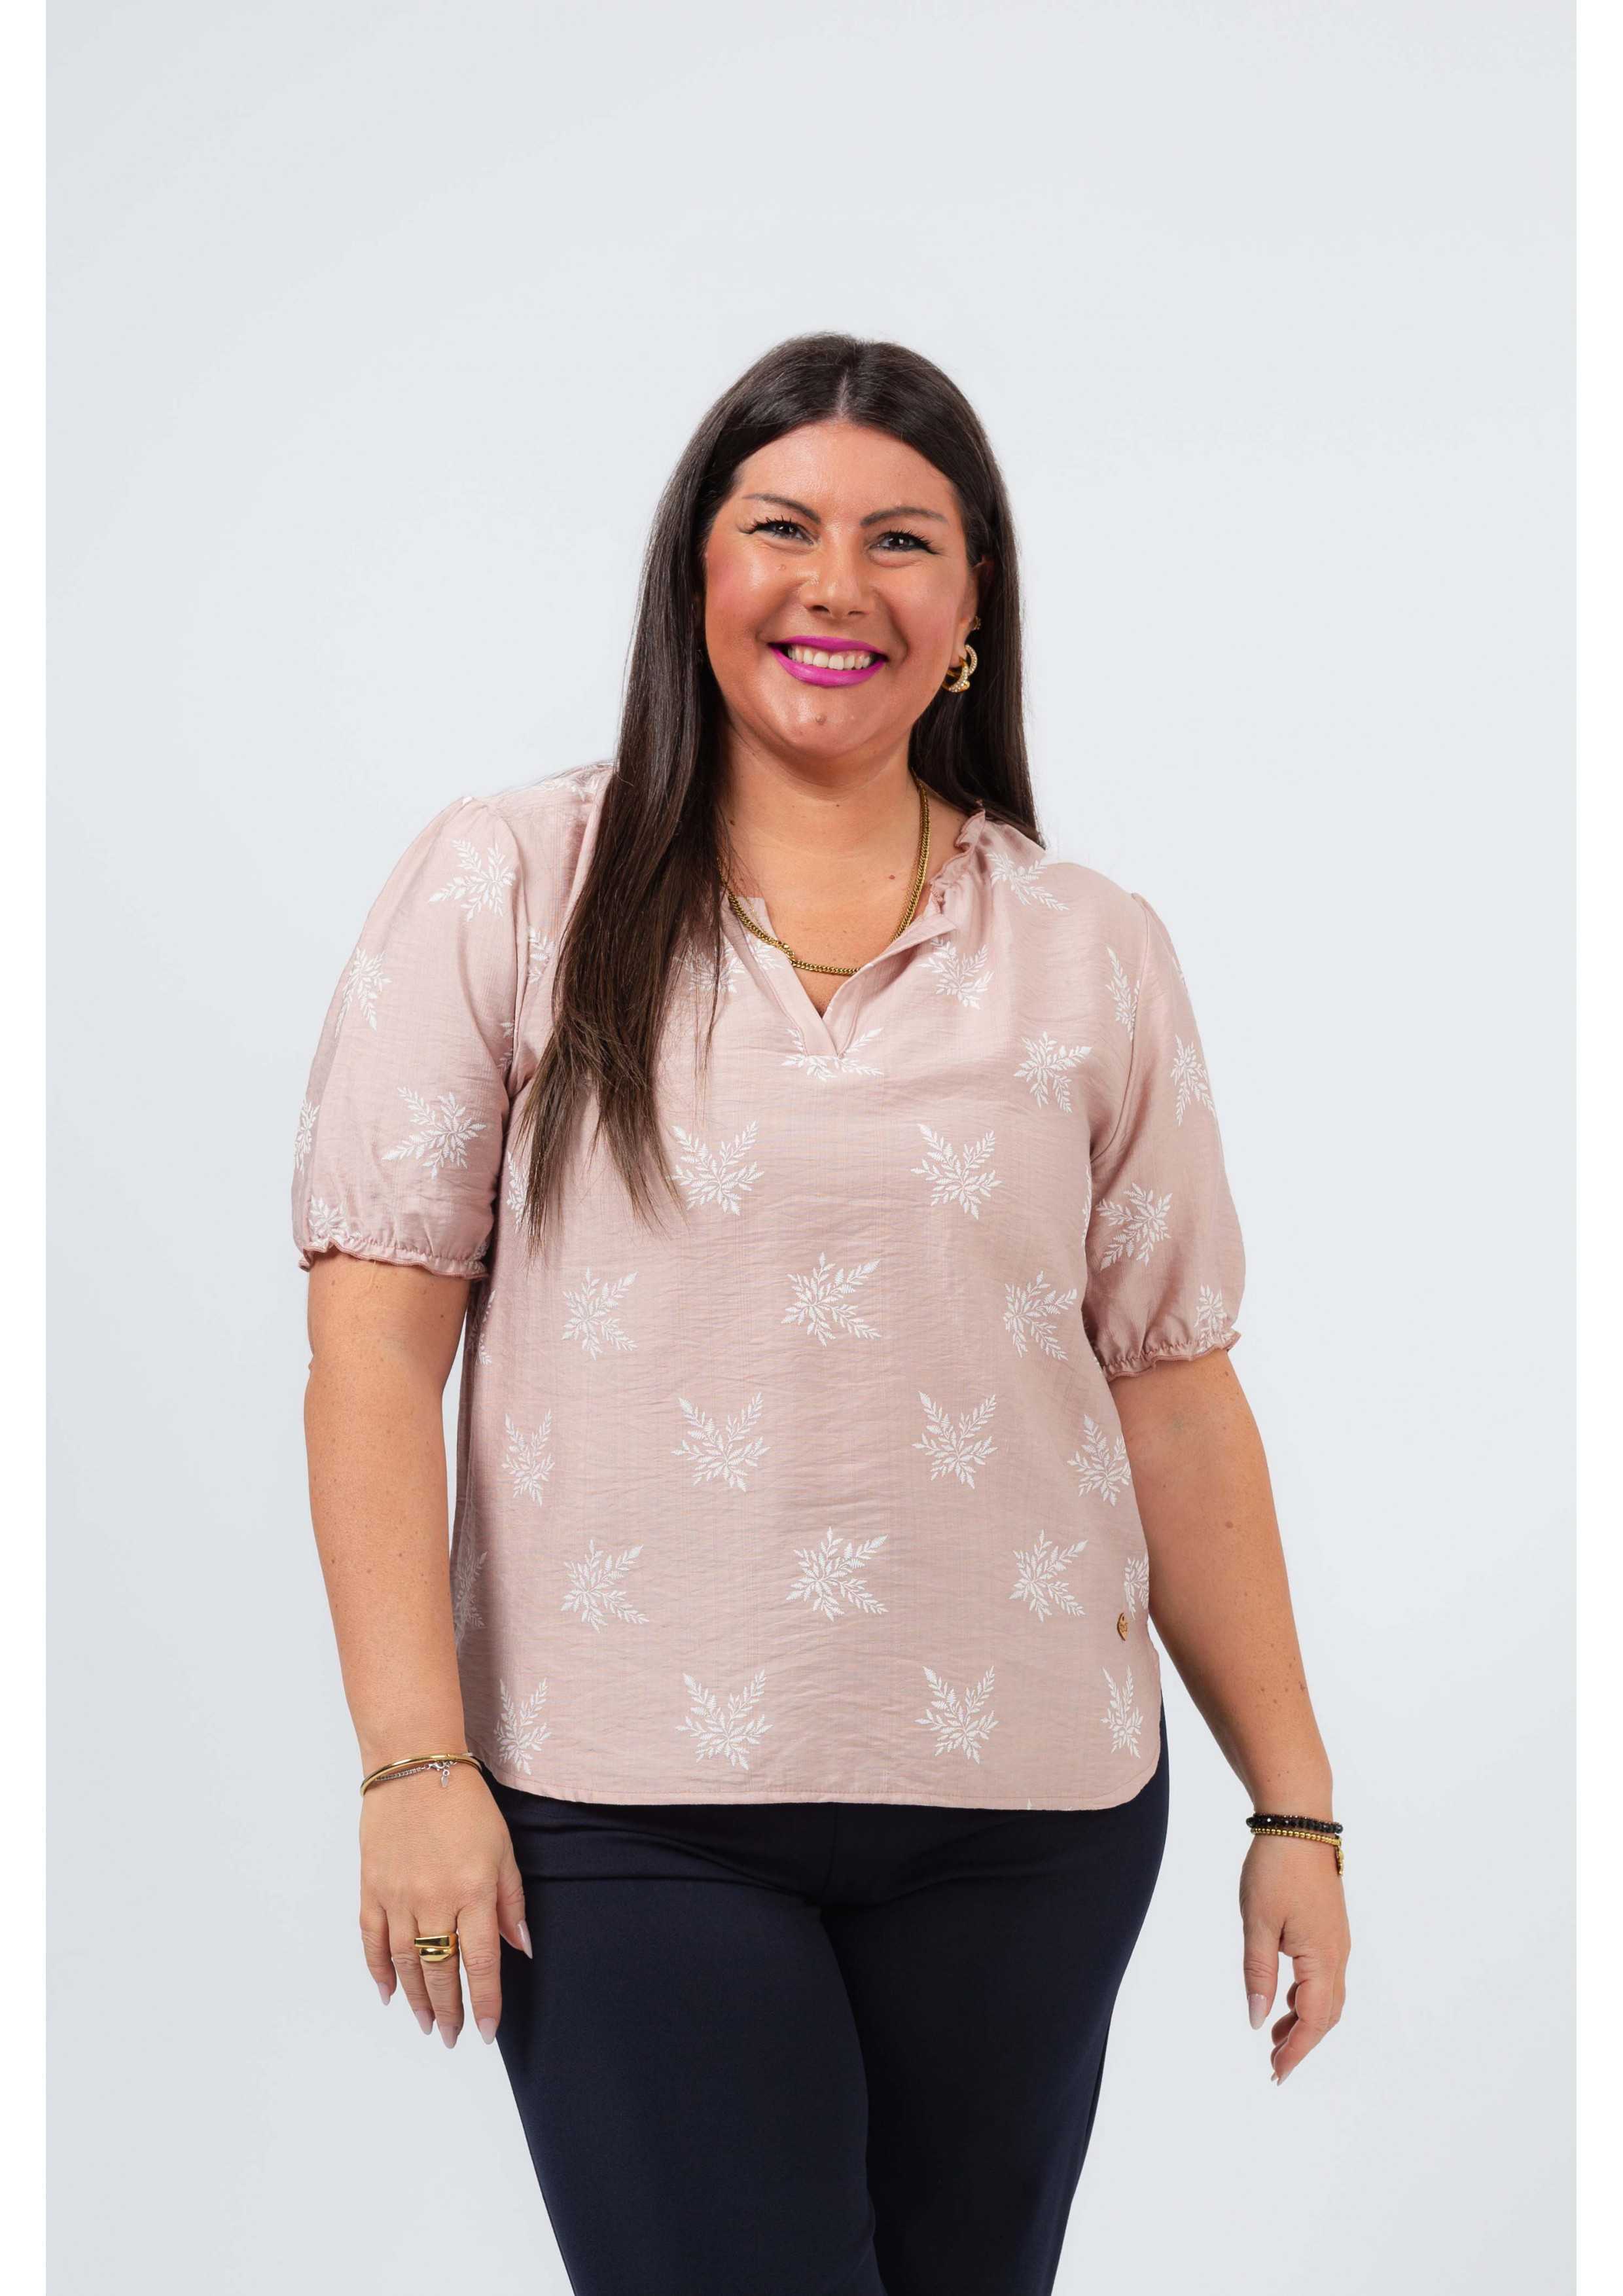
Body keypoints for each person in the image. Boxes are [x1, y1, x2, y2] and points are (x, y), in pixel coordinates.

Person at [293, 331, 1349, 2296]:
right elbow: (373, 1339)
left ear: (972, 609)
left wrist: (1294, 1800)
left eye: (902, 541)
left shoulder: (1090, 946)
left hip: (1034, 1810)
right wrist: (412, 1760)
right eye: (780, 527)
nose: (835, 585)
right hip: (623, 1803)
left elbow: (1174, 1389)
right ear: (694, 572)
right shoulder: (511, 882)